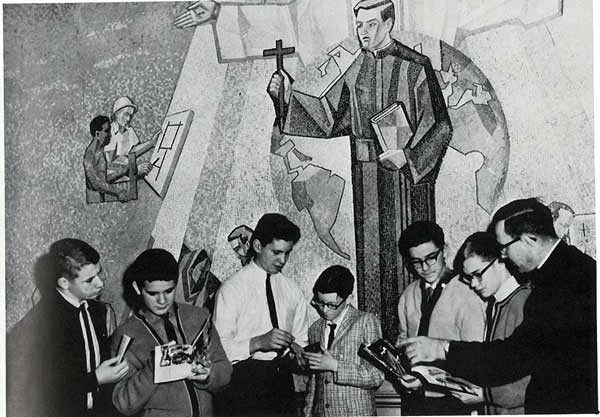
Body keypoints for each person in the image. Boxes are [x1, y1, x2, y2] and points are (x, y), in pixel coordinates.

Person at [267, 0, 452, 339]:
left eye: (370, 25)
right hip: (366, 176)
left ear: (389, 22)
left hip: (405, 183)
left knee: (406, 258)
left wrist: (409, 159)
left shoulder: (415, 66)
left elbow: (439, 126)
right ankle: (379, 344)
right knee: (372, 261)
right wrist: (284, 98)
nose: (363, 32)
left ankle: (415, 340)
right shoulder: (356, 68)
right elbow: (330, 119)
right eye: (359, 25)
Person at [399, 198, 598, 414]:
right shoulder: (570, 267)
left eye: (504, 248)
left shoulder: (564, 282)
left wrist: (442, 348)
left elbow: (514, 356)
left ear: (529, 240)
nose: (502, 255)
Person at [7, 238, 129, 417]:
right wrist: (95, 378)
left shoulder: (97, 310)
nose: (100, 283)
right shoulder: (39, 324)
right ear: (64, 283)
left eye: (99, 272)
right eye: (89, 280)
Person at [111, 248, 232, 417]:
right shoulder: (127, 334)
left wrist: (208, 375)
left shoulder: (198, 318)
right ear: (137, 288)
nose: (162, 301)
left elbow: (224, 369)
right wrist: (153, 369)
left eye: (168, 291)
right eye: (153, 293)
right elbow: (122, 402)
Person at [213, 213, 310, 417]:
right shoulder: (232, 289)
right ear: (258, 246)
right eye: (276, 252)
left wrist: (299, 355)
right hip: (241, 386)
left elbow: (301, 341)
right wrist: (258, 342)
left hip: (282, 385)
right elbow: (218, 352)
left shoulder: (293, 292)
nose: (282, 260)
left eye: (287, 253)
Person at [395, 221, 485, 415]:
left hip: (454, 401)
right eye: (416, 262)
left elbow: (475, 355)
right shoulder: (408, 295)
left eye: (431, 258)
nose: (425, 267)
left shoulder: (467, 293)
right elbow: (404, 341)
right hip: (415, 400)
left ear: (444, 250)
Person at [454, 231, 531, 414]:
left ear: (499, 261)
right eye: (469, 278)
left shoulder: (524, 302)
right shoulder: (495, 304)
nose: (473, 284)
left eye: (477, 274)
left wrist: (483, 395)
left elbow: (530, 383)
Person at [303, 265, 384, 417]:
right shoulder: (315, 329)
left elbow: (376, 375)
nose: (325, 310)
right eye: (319, 303)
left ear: (349, 299)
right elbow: (313, 381)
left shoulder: (366, 322)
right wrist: (307, 412)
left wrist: (335, 366)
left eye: (331, 305)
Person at [84, 115, 131, 203]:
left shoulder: (99, 151)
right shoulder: (90, 154)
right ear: (97, 134)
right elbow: (95, 182)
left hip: (100, 199)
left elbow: (103, 178)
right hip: (94, 201)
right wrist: (117, 192)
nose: (110, 135)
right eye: (107, 131)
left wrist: (124, 171)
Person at [104, 96, 159, 164]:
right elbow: (110, 161)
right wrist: (134, 168)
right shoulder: (108, 131)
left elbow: (132, 151)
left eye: (130, 115)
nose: (128, 119)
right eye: (126, 114)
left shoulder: (129, 130)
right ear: (117, 113)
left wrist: (151, 143)